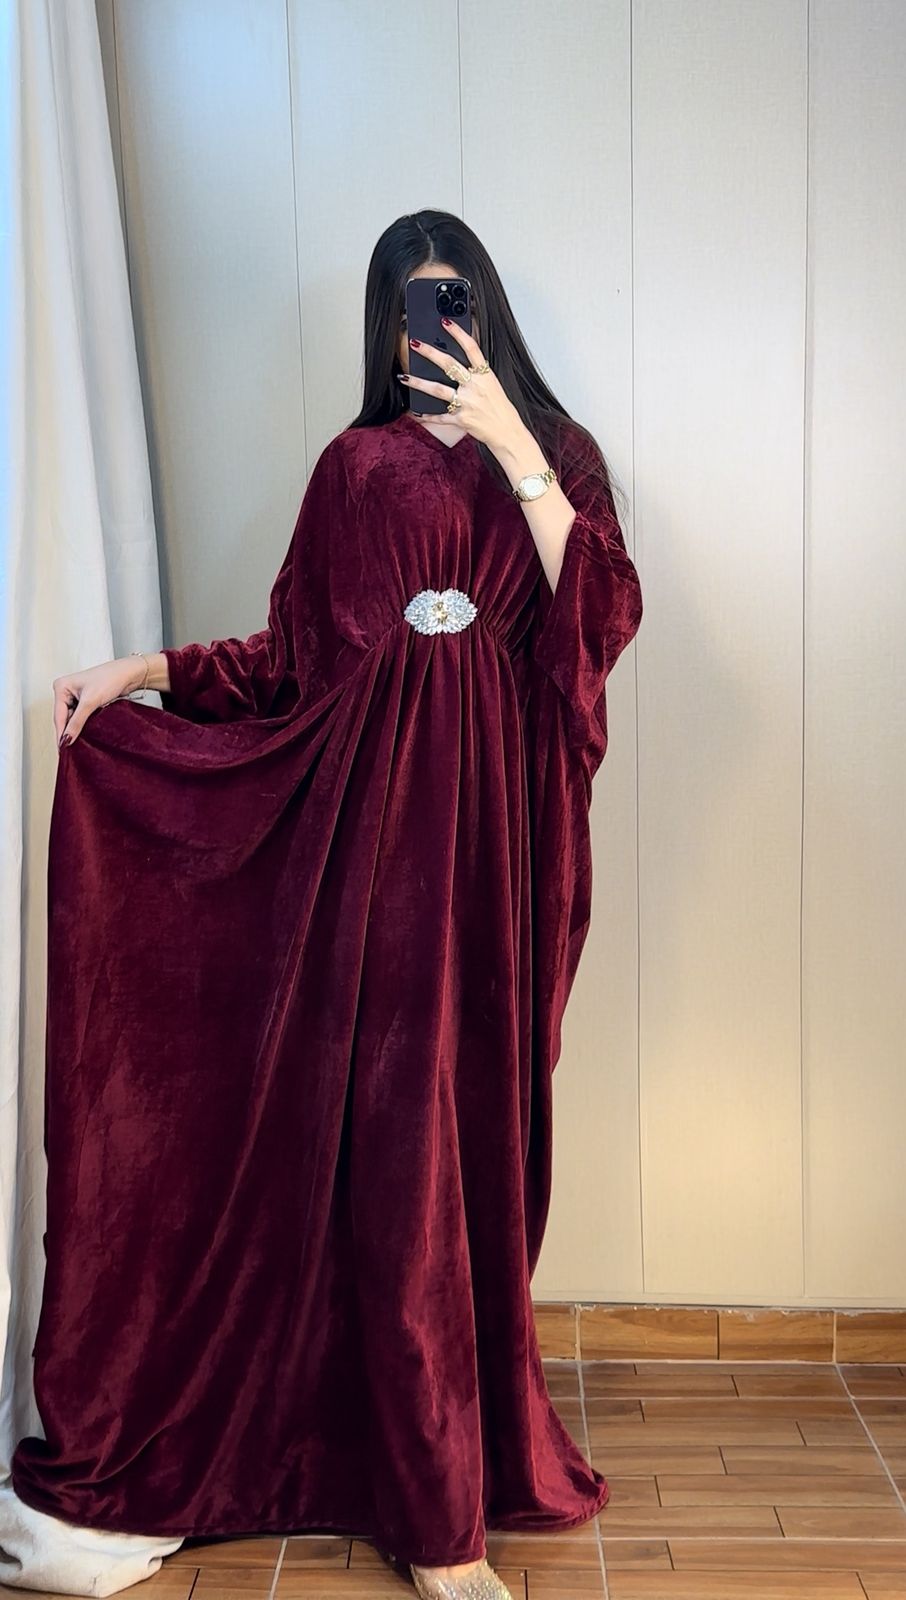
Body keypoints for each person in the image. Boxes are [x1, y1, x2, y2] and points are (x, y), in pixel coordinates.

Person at [7, 210, 643, 1599]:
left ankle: (446, 1451)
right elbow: (293, 659)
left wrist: (515, 444)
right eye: (412, 305)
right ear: (384, 324)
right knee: (396, 1149)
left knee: (478, 1148)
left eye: (455, 299)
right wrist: (145, 673)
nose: (435, 327)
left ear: (485, 309)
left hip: (502, 851)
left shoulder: (559, 454)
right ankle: (434, 1520)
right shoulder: (353, 471)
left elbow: (598, 618)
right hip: (374, 857)